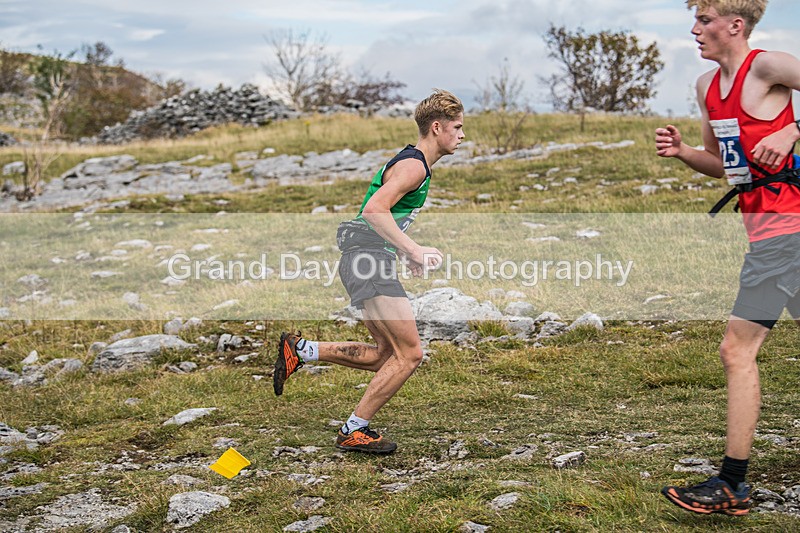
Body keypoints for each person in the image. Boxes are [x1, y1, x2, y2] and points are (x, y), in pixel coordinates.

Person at [655, 0, 800, 516]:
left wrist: (791, 130)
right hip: (768, 235)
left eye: (704, 20)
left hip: (790, 232)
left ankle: (732, 485)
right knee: (738, 352)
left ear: (734, 25)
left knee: (737, 352)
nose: (694, 30)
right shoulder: (706, 88)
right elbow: (722, 166)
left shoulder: (767, 66)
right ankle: (732, 486)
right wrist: (682, 154)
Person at [273, 89, 465, 454]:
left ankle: (301, 350)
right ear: (437, 127)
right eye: (456, 127)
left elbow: (381, 216)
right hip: (368, 260)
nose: (462, 135)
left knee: (384, 354)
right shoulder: (414, 166)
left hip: (365, 258)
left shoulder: (413, 163)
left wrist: (401, 250)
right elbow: (374, 211)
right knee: (410, 354)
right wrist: (414, 249)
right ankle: (353, 430)